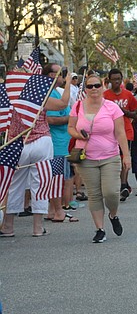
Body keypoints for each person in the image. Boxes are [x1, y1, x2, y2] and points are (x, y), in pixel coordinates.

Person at [1, 62, 71, 238]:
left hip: (16, 143)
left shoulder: (8, 95)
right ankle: (37, 227)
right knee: (41, 184)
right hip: (41, 141)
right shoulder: (38, 95)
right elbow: (63, 104)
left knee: (14, 185)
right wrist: (68, 82)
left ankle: (8, 226)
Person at [68, 74, 131, 243]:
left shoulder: (112, 107)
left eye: (97, 85)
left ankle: (113, 215)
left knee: (111, 192)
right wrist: (79, 135)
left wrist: (126, 155)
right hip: (86, 157)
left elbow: (120, 133)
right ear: (85, 89)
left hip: (110, 156)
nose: (94, 89)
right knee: (94, 194)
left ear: (102, 86)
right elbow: (71, 127)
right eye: (90, 86)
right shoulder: (78, 106)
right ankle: (100, 229)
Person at [44, 69, 77, 223]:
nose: (65, 76)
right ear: (51, 75)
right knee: (57, 179)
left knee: (62, 178)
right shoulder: (49, 93)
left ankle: (52, 210)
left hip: (63, 143)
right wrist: (71, 119)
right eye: (61, 73)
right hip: (57, 144)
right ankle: (58, 211)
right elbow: (51, 119)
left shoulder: (56, 92)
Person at [103, 69, 137, 201]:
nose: (117, 81)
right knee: (115, 159)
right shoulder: (105, 96)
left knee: (125, 157)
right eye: (114, 79)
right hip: (109, 133)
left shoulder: (128, 94)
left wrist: (126, 112)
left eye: (119, 79)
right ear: (109, 80)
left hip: (126, 131)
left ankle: (123, 185)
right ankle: (121, 183)